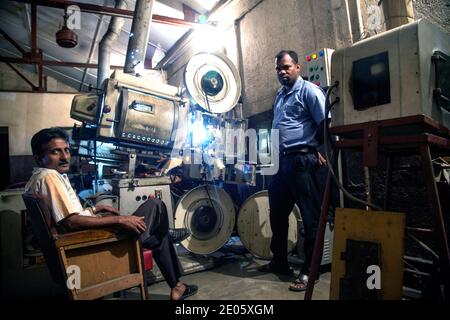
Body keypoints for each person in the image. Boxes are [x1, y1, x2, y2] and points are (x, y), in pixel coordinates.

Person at [25, 127, 198, 300]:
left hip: (86, 239)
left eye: (67, 150)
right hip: (93, 245)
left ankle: (177, 286)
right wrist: (120, 219)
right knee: (155, 204)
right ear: (39, 157)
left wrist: (94, 210)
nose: (64, 157)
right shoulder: (49, 177)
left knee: (159, 237)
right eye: (55, 152)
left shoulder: (38, 178)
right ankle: (166, 234)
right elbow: (71, 222)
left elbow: (66, 216)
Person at [258, 50, 327, 292]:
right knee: (277, 215)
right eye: (278, 69)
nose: (282, 72)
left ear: (297, 67)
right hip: (283, 162)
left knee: (311, 219)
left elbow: (325, 122)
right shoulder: (280, 95)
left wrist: (314, 148)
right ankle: (280, 262)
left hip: (301, 161)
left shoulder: (309, 91)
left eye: (286, 67)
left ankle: (311, 271)